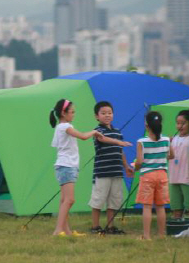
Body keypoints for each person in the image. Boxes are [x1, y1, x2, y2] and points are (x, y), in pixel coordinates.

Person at [50, 98, 102, 237]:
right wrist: (95, 132)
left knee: (64, 200)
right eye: (72, 112)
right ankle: (58, 230)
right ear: (63, 113)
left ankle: (66, 231)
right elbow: (84, 137)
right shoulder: (65, 127)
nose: (73, 114)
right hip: (67, 166)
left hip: (65, 166)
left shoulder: (61, 127)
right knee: (70, 200)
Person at [88, 101, 133, 235]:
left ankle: (110, 226)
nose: (107, 115)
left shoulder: (118, 132)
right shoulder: (97, 131)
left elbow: (120, 151)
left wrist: (126, 166)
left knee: (114, 200)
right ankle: (95, 226)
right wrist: (118, 142)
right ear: (97, 116)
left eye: (109, 113)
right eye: (103, 113)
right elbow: (102, 139)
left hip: (116, 171)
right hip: (102, 172)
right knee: (98, 199)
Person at [130, 111, 173, 240]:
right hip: (162, 175)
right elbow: (171, 156)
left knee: (147, 207)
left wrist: (135, 168)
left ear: (146, 125)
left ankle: (147, 236)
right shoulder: (166, 140)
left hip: (147, 176)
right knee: (160, 207)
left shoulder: (141, 142)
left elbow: (140, 162)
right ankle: (161, 234)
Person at [168, 110, 189, 227]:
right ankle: (177, 226)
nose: (179, 126)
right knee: (176, 204)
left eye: (183, 123)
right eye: (177, 123)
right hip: (174, 176)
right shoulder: (173, 139)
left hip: (187, 176)